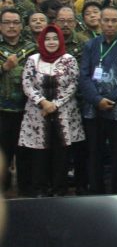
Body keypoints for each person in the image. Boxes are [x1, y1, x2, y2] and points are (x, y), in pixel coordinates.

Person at [78, 6, 117, 194]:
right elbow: (83, 76)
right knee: (94, 152)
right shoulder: (90, 45)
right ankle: (95, 191)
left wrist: (110, 99)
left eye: (114, 21)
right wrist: (97, 99)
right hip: (93, 108)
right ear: (100, 22)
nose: (110, 24)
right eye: (106, 20)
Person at [18, 25, 84, 196]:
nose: (51, 42)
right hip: (37, 114)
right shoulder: (33, 59)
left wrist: (55, 104)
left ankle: (59, 190)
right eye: (47, 39)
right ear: (41, 41)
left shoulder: (69, 60)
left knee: (61, 154)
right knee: (39, 155)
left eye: (55, 38)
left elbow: (74, 84)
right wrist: (43, 102)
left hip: (64, 113)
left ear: (61, 40)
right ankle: (40, 189)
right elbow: (27, 84)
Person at [0, 7, 35, 194]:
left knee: (25, 153)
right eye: (7, 23)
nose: (11, 26)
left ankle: (26, 190)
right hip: (2, 111)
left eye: (15, 23)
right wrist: (4, 67)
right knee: (3, 153)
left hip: (27, 110)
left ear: (22, 26)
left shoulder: (32, 48)